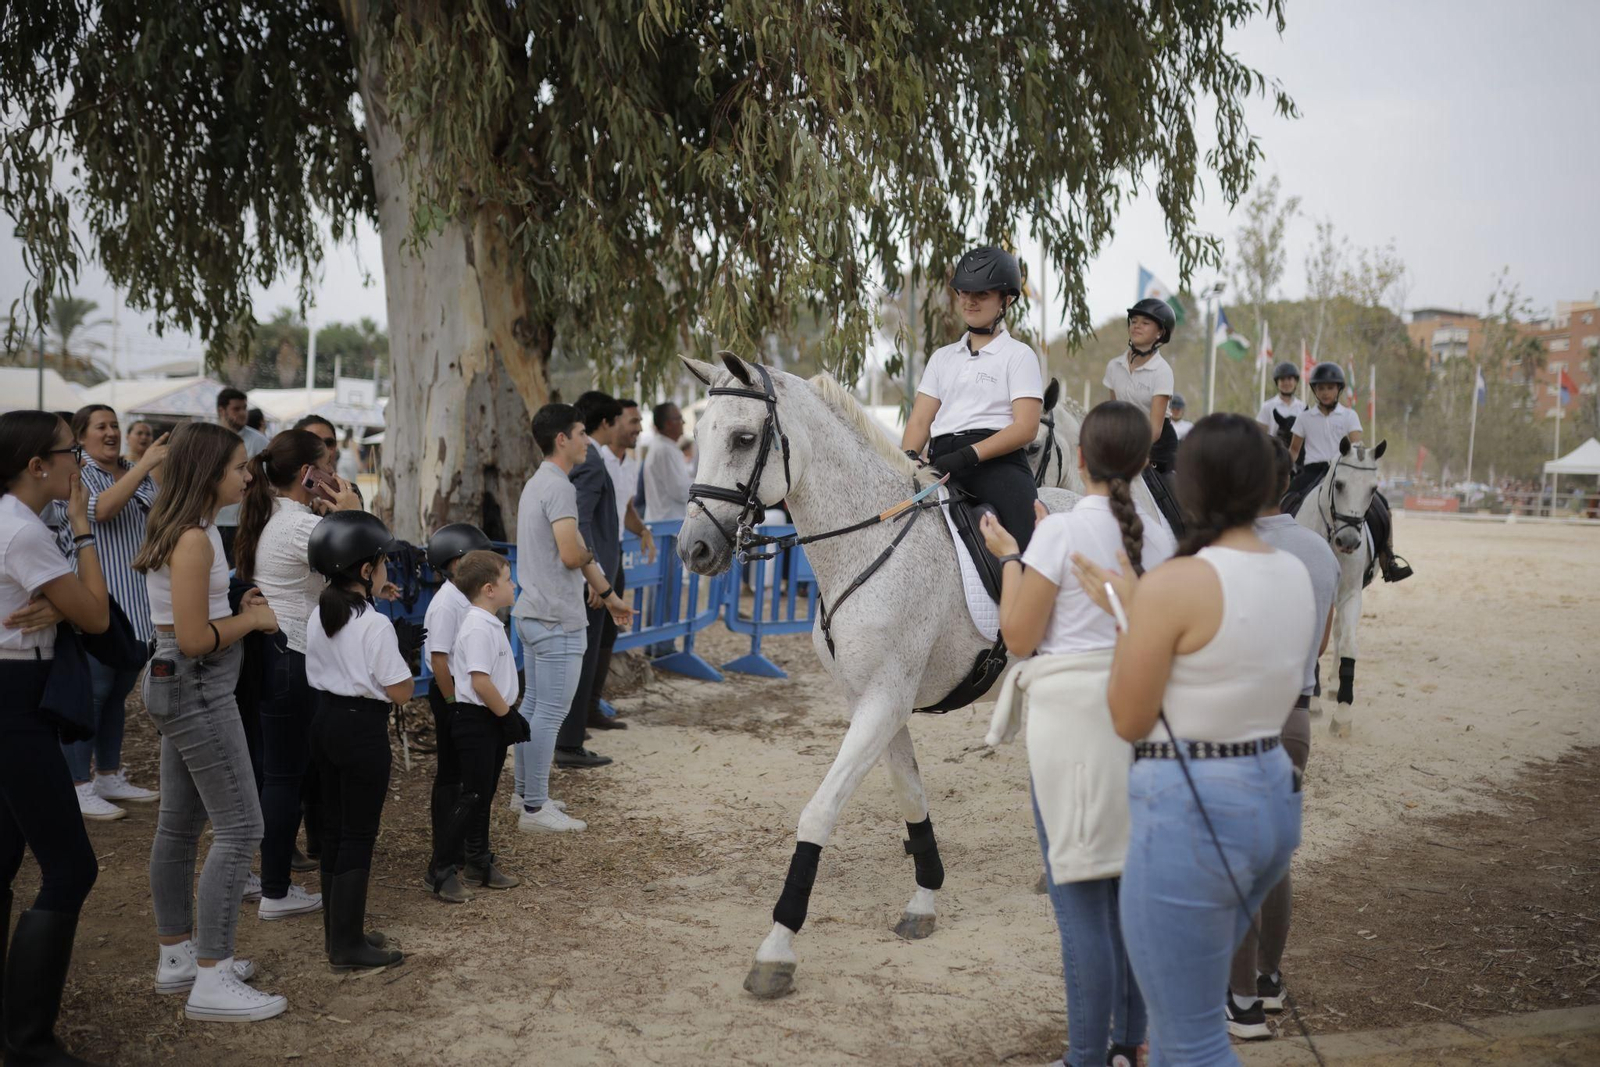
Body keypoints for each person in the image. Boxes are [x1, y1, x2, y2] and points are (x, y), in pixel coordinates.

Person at [1071, 413, 1313, 1065]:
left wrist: (1132, 613)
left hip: (1194, 809)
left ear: (1194, 485)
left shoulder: (1179, 581)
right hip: (1269, 795)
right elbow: (1222, 663)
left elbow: (1128, 716)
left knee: (1190, 1038)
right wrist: (1137, 603)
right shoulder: (1293, 570)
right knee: (1198, 1016)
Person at [980, 401, 1175, 1067]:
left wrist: (1011, 555)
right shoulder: (1160, 535)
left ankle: (1086, 1055)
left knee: (1081, 902)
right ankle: (1129, 1043)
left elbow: (1018, 635)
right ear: (1144, 462)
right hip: (1140, 716)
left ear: (1082, 459)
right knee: (1130, 890)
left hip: (1072, 725)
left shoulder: (1058, 534)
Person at [133, 422, 287, 1022]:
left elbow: (190, 617)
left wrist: (235, 606)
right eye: (238, 468)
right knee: (243, 827)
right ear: (207, 472)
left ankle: (178, 957)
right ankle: (213, 977)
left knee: (178, 826)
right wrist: (253, 622)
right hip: (196, 686)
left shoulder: (191, 531)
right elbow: (196, 639)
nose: (247, 477)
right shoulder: (195, 540)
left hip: (181, 683)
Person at [0, 410, 110, 1064]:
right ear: (38, 465)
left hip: (15, 692)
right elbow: (96, 614)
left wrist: (57, 601)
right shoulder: (25, 530)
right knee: (71, 865)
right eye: (70, 452)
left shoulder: (9, 523)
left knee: (4, 861)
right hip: (16, 702)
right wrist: (82, 528)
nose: (78, 464)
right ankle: (28, 1041)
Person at [1225, 438, 1339, 1040]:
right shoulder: (1320, 551)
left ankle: (1241, 1002)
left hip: (1243, 718)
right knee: (1274, 856)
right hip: (1297, 714)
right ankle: (1268, 980)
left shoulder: (1231, 548)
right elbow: (1320, 645)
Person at [233, 429, 363, 922]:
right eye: (327, 466)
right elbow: (363, 562)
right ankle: (275, 889)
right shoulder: (297, 527)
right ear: (307, 475)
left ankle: (269, 879)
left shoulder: (281, 517)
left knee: (279, 773)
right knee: (285, 777)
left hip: (279, 653)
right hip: (291, 657)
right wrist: (349, 510)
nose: (334, 475)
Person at [511, 403, 632, 833]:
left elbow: (573, 546)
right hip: (556, 619)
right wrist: (591, 555)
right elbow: (571, 552)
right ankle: (535, 808)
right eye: (581, 433)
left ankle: (524, 794)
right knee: (548, 713)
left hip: (534, 613)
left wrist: (609, 596)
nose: (587, 440)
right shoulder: (559, 487)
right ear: (562, 439)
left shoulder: (540, 483)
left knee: (532, 708)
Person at [303, 511, 412, 972]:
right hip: (361, 729)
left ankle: (339, 932)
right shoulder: (375, 625)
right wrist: (404, 652)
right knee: (358, 833)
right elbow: (402, 691)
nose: (387, 569)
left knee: (333, 830)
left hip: (324, 720)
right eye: (383, 562)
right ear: (366, 571)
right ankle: (346, 946)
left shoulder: (320, 612)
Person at [56, 405, 167, 820]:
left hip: (137, 607)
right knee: (92, 695)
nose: (111, 433)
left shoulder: (132, 470)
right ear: (80, 437)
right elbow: (101, 510)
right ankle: (77, 784)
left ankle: (107, 775)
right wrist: (147, 466)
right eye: (100, 427)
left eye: (114, 425)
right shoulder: (77, 474)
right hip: (96, 603)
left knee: (116, 696)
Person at [900, 245, 1044, 550]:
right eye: (964, 292)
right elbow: (920, 420)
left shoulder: (1019, 356)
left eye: (982, 293)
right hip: (941, 464)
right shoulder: (942, 357)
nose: (970, 300)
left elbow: (1026, 428)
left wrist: (970, 455)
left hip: (997, 465)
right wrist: (910, 458)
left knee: (1033, 549)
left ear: (1005, 300)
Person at [429, 549, 523, 900]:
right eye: (508, 579)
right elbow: (480, 682)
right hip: (479, 719)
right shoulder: (477, 627)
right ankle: (439, 868)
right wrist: (508, 717)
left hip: (490, 718)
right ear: (488, 589)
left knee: (483, 795)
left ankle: (478, 861)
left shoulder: (488, 622)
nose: (514, 585)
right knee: (470, 796)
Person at [421, 521, 498, 903]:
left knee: (479, 779)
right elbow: (439, 660)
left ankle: (476, 856)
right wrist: (453, 707)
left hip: (471, 696)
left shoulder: (467, 597)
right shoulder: (446, 603)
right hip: (454, 696)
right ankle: (443, 864)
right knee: (453, 779)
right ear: (454, 563)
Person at [1285, 363, 1411, 582]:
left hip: (1343, 471)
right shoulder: (1304, 418)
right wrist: (1282, 469)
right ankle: (1276, 549)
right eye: (1321, 388)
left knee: (1382, 507)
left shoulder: (1349, 415)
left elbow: (1357, 445)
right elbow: (1294, 450)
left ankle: (1387, 558)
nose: (1326, 392)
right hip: (1313, 471)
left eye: (1330, 388)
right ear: (1315, 391)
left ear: (1339, 390)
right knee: (1285, 501)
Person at [557, 390, 628, 768]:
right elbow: (580, 519)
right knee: (581, 658)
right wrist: (596, 578)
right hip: (594, 575)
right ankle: (569, 743)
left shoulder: (594, 461)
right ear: (606, 423)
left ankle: (573, 732)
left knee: (586, 654)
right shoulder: (593, 463)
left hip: (597, 571)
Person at [593, 398, 656, 733]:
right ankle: (576, 714)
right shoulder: (593, 458)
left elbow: (626, 509)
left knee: (607, 634)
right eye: (633, 421)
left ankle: (592, 706)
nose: (638, 429)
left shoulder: (630, 464)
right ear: (612, 422)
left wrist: (643, 530)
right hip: (594, 558)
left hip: (614, 554)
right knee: (590, 636)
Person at [213, 387, 270, 567]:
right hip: (213, 519)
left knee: (241, 574)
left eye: (244, 408)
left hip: (245, 521)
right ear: (221, 411)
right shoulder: (208, 439)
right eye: (236, 409)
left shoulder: (259, 441)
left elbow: (267, 481)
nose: (243, 413)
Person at [642, 402, 692, 523]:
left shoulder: (664, 447)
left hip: (665, 520)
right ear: (669, 424)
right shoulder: (665, 450)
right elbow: (680, 490)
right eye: (679, 418)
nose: (683, 422)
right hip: (668, 523)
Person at [1255, 362, 1306, 433]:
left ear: (1295, 382)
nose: (1286, 383)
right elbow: (1260, 435)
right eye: (1282, 379)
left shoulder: (1302, 408)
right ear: (1277, 383)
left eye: (1289, 379)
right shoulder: (1267, 407)